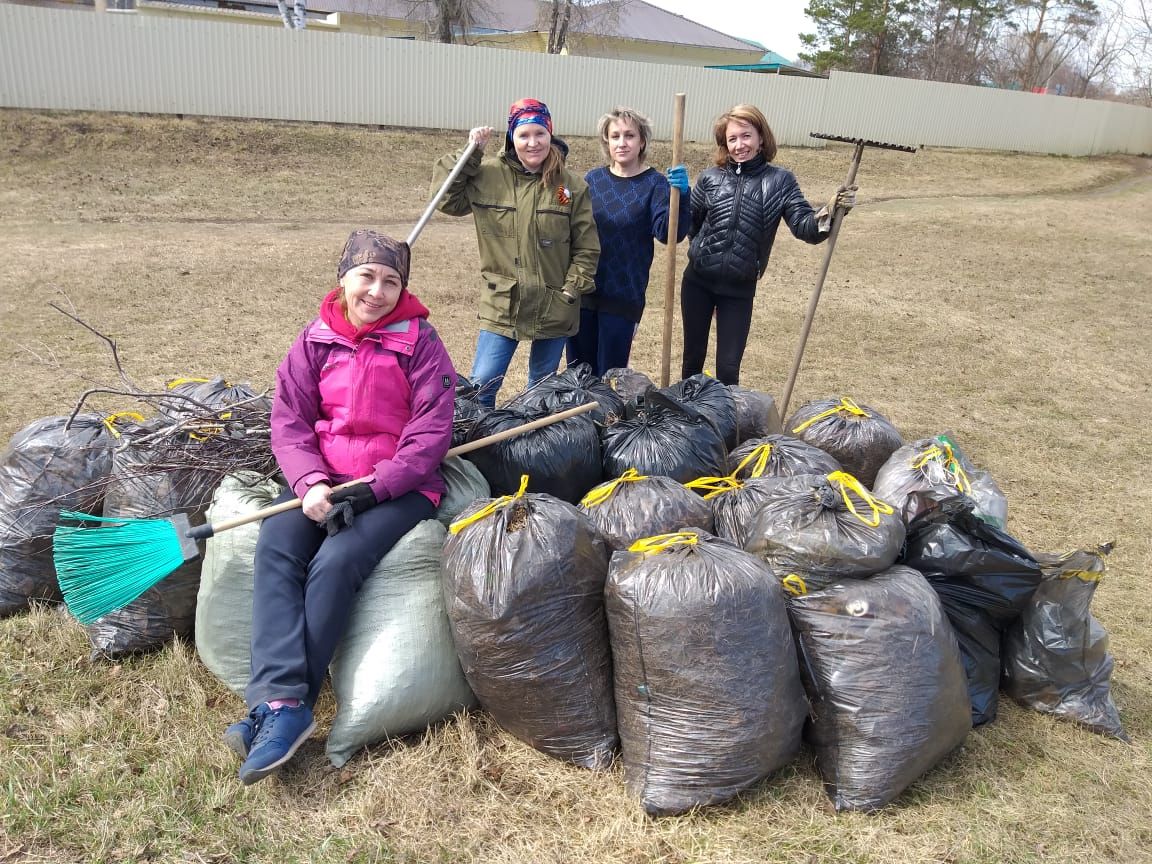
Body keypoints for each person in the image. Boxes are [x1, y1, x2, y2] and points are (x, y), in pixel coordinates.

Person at [222, 229, 455, 786]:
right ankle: (284, 701)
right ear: (343, 278)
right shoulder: (313, 340)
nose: (376, 291)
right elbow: (290, 421)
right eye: (366, 277)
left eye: (391, 281)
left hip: (399, 485)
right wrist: (308, 484)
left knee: (336, 562)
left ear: (404, 290)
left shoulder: (421, 343)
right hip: (323, 478)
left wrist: (374, 489)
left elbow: (430, 435)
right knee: (278, 547)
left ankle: (280, 706)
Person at [432, 98, 600, 408]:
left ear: (551, 134)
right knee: (482, 385)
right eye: (524, 135)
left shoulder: (571, 185)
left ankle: (529, 450)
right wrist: (470, 153)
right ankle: (481, 448)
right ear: (512, 138)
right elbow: (446, 200)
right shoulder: (487, 174)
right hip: (503, 301)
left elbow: (587, 246)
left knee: (541, 390)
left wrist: (572, 288)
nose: (533, 143)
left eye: (540, 134)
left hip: (555, 302)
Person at [681, 104, 856, 386]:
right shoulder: (710, 178)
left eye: (746, 136)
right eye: (732, 139)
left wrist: (832, 211)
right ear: (725, 144)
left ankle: (723, 423)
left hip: (738, 290)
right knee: (691, 360)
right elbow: (691, 226)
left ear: (761, 137)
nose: (740, 145)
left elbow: (805, 227)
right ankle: (686, 423)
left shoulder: (780, 181)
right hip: (697, 283)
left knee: (728, 368)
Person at [566, 107, 692, 376]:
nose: (622, 143)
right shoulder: (593, 180)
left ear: (642, 141)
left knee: (610, 377)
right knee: (576, 375)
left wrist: (681, 198)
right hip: (584, 291)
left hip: (623, 296)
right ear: (606, 142)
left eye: (629, 135)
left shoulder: (656, 184)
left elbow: (669, 235)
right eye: (615, 136)